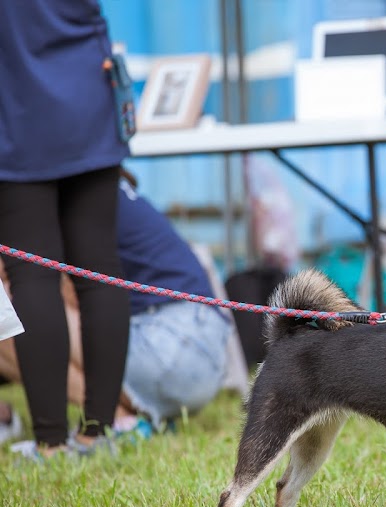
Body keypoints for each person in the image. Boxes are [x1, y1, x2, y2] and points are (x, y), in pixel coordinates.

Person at [0, 173, 244, 448]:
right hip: (207, 348)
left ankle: (117, 421)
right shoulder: (91, 176)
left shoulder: (37, 191)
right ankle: (141, 413)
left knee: (8, 313)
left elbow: (59, 296)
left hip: (168, 346)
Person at [0, 1, 132, 457]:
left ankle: (51, 444)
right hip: (89, 96)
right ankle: (98, 433)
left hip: (15, 109)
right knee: (99, 271)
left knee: (32, 277)